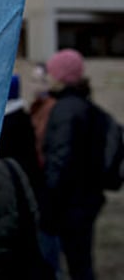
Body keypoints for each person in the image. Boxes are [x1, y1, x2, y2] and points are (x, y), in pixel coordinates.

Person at [43, 49, 105, 280]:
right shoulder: (82, 105)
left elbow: (60, 160)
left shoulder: (65, 110)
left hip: (70, 203)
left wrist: (48, 202)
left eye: (51, 73)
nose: (47, 78)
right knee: (82, 263)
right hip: (84, 198)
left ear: (61, 77)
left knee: (74, 264)